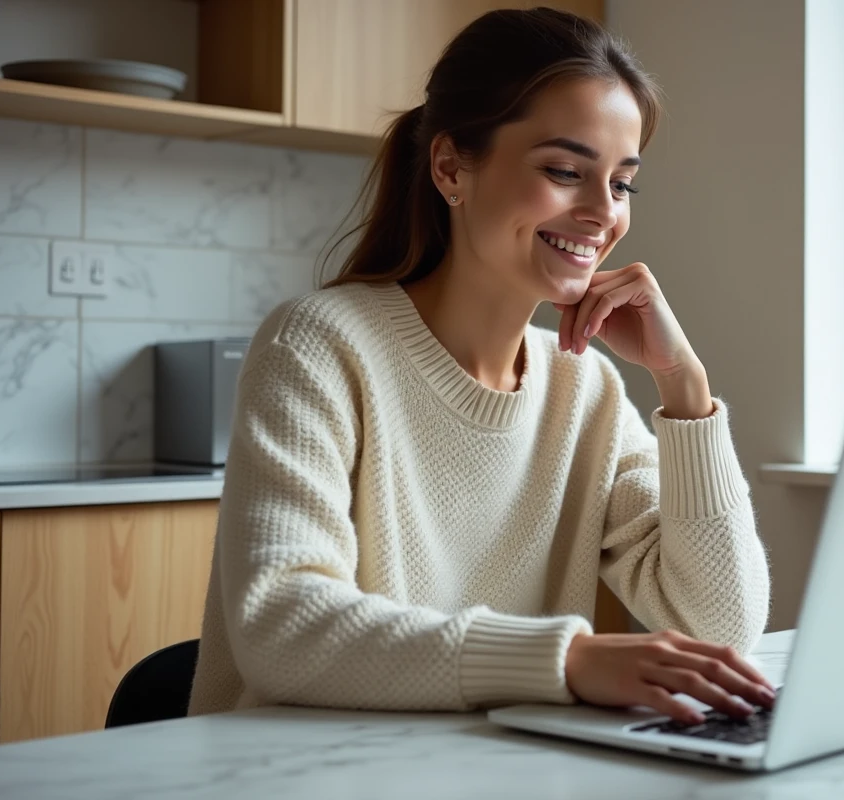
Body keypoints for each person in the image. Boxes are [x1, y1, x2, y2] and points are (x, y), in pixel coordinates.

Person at [188, 6, 772, 727]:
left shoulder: (582, 388)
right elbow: (281, 626)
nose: (602, 212)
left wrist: (684, 385)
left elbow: (720, 626)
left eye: (623, 184)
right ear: (449, 167)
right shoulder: (319, 346)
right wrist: (566, 662)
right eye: (564, 170)